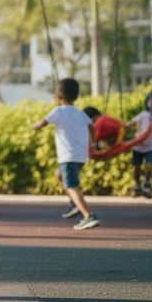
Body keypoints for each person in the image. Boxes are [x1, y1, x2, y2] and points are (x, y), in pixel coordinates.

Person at [31, 78, 100, 230]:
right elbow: (92, 127)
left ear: (58, 95)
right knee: (59, 175)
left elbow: (42, 123)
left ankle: (89, 215)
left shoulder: (58, 112)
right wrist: (93, 143)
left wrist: (33, 126)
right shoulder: (80, 113)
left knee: (71, 186)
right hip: (80, 156)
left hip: (68, 156)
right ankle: (74, 203)